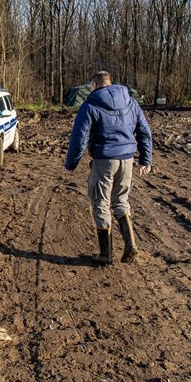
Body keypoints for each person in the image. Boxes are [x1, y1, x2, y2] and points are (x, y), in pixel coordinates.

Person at [64, 71, 152, 265]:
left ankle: (106, 254)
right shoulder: (131, 102)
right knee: (121, 201)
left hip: (104, 161)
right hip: (127, 160)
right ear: (110, 83)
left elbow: (79, 138)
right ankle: (131, 246)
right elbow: (144, 131)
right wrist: (146, 160)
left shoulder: (90, 105)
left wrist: (71, 163)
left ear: (94, 85)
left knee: (101, 203)